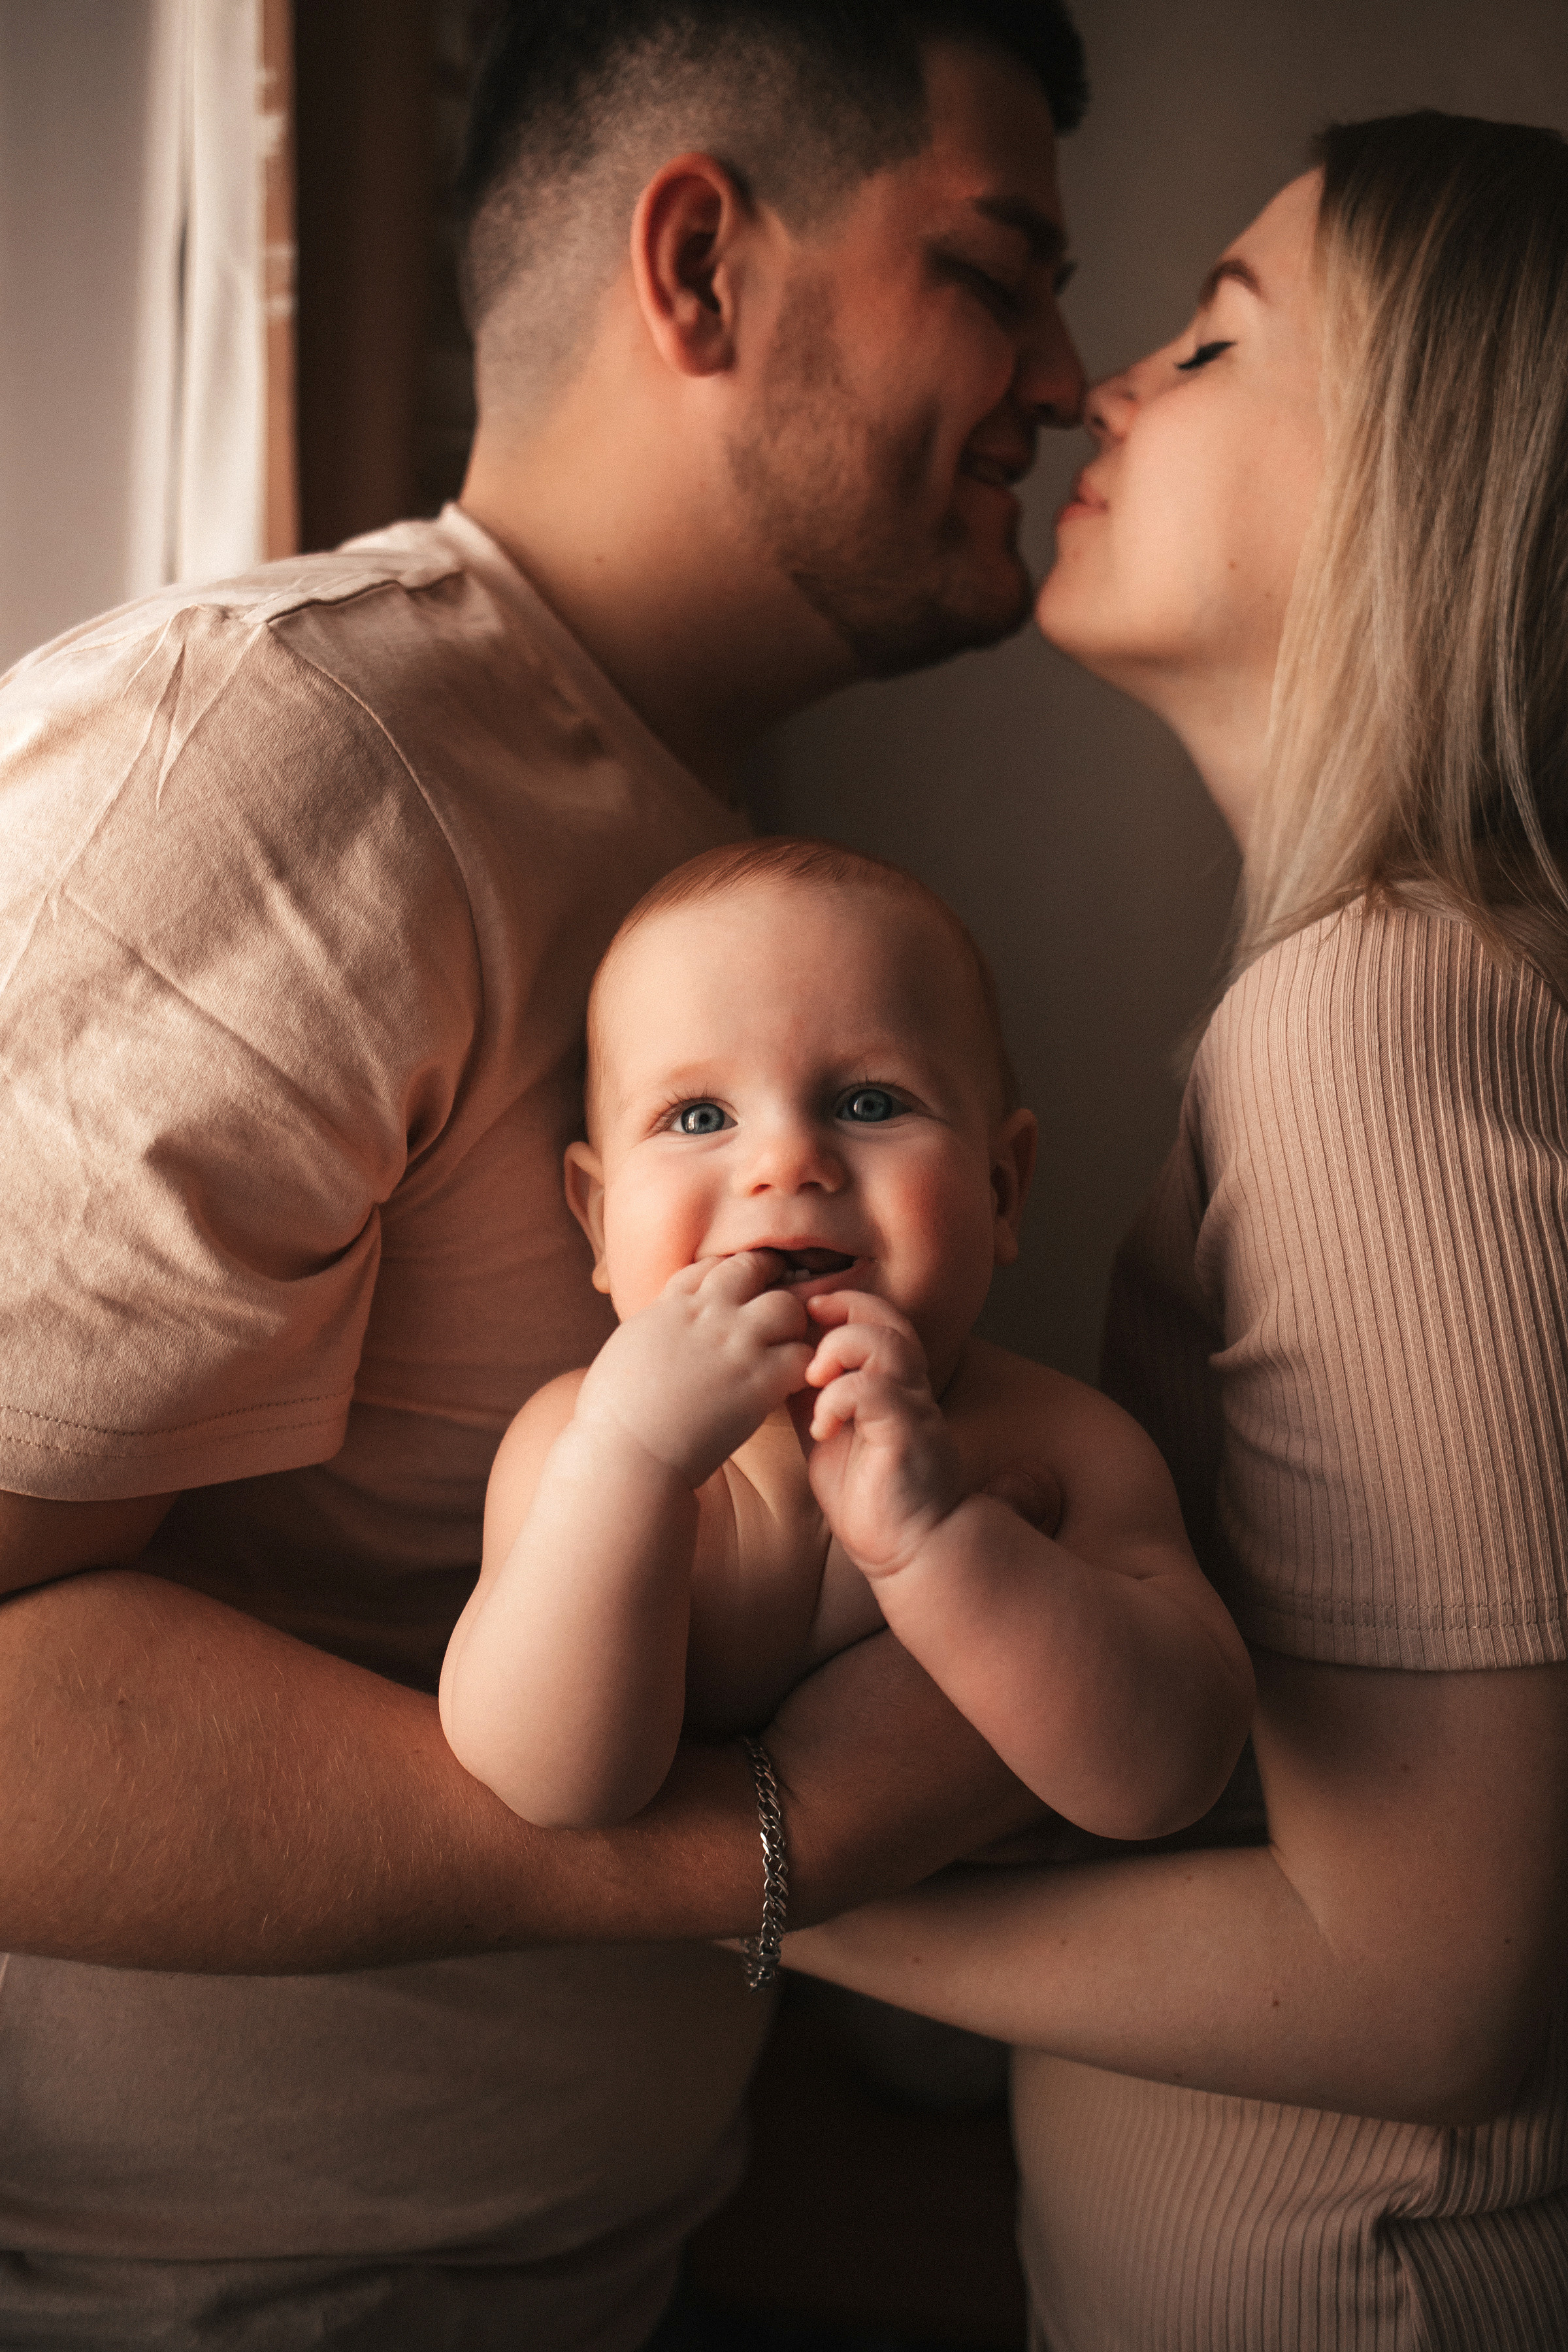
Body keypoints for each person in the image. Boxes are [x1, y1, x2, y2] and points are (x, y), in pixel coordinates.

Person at [0, 5, 1090, 2347]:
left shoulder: (715, 864)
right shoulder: (281, 765)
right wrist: (762, 1856)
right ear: (698, 265)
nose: (1069, 379)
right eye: (995, 273)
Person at [780, 109, 1568, 2351]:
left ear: (1424, 470)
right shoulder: (1415, 986)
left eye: (1217, 342)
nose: (1101, 386)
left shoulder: (1377, 1016)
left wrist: (736, 1899)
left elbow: (1428, 1991)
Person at [439, 838, 1252, 1837]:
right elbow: (550, 1784)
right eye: (698, 1116)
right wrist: (631, 1459)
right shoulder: (577, 1441)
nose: (786, 1161)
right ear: (602, 1222)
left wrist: (941, 1545)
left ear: (1000, 1191)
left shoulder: (1059, 1444)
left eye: (868, 1104)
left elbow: (1172, 1775)